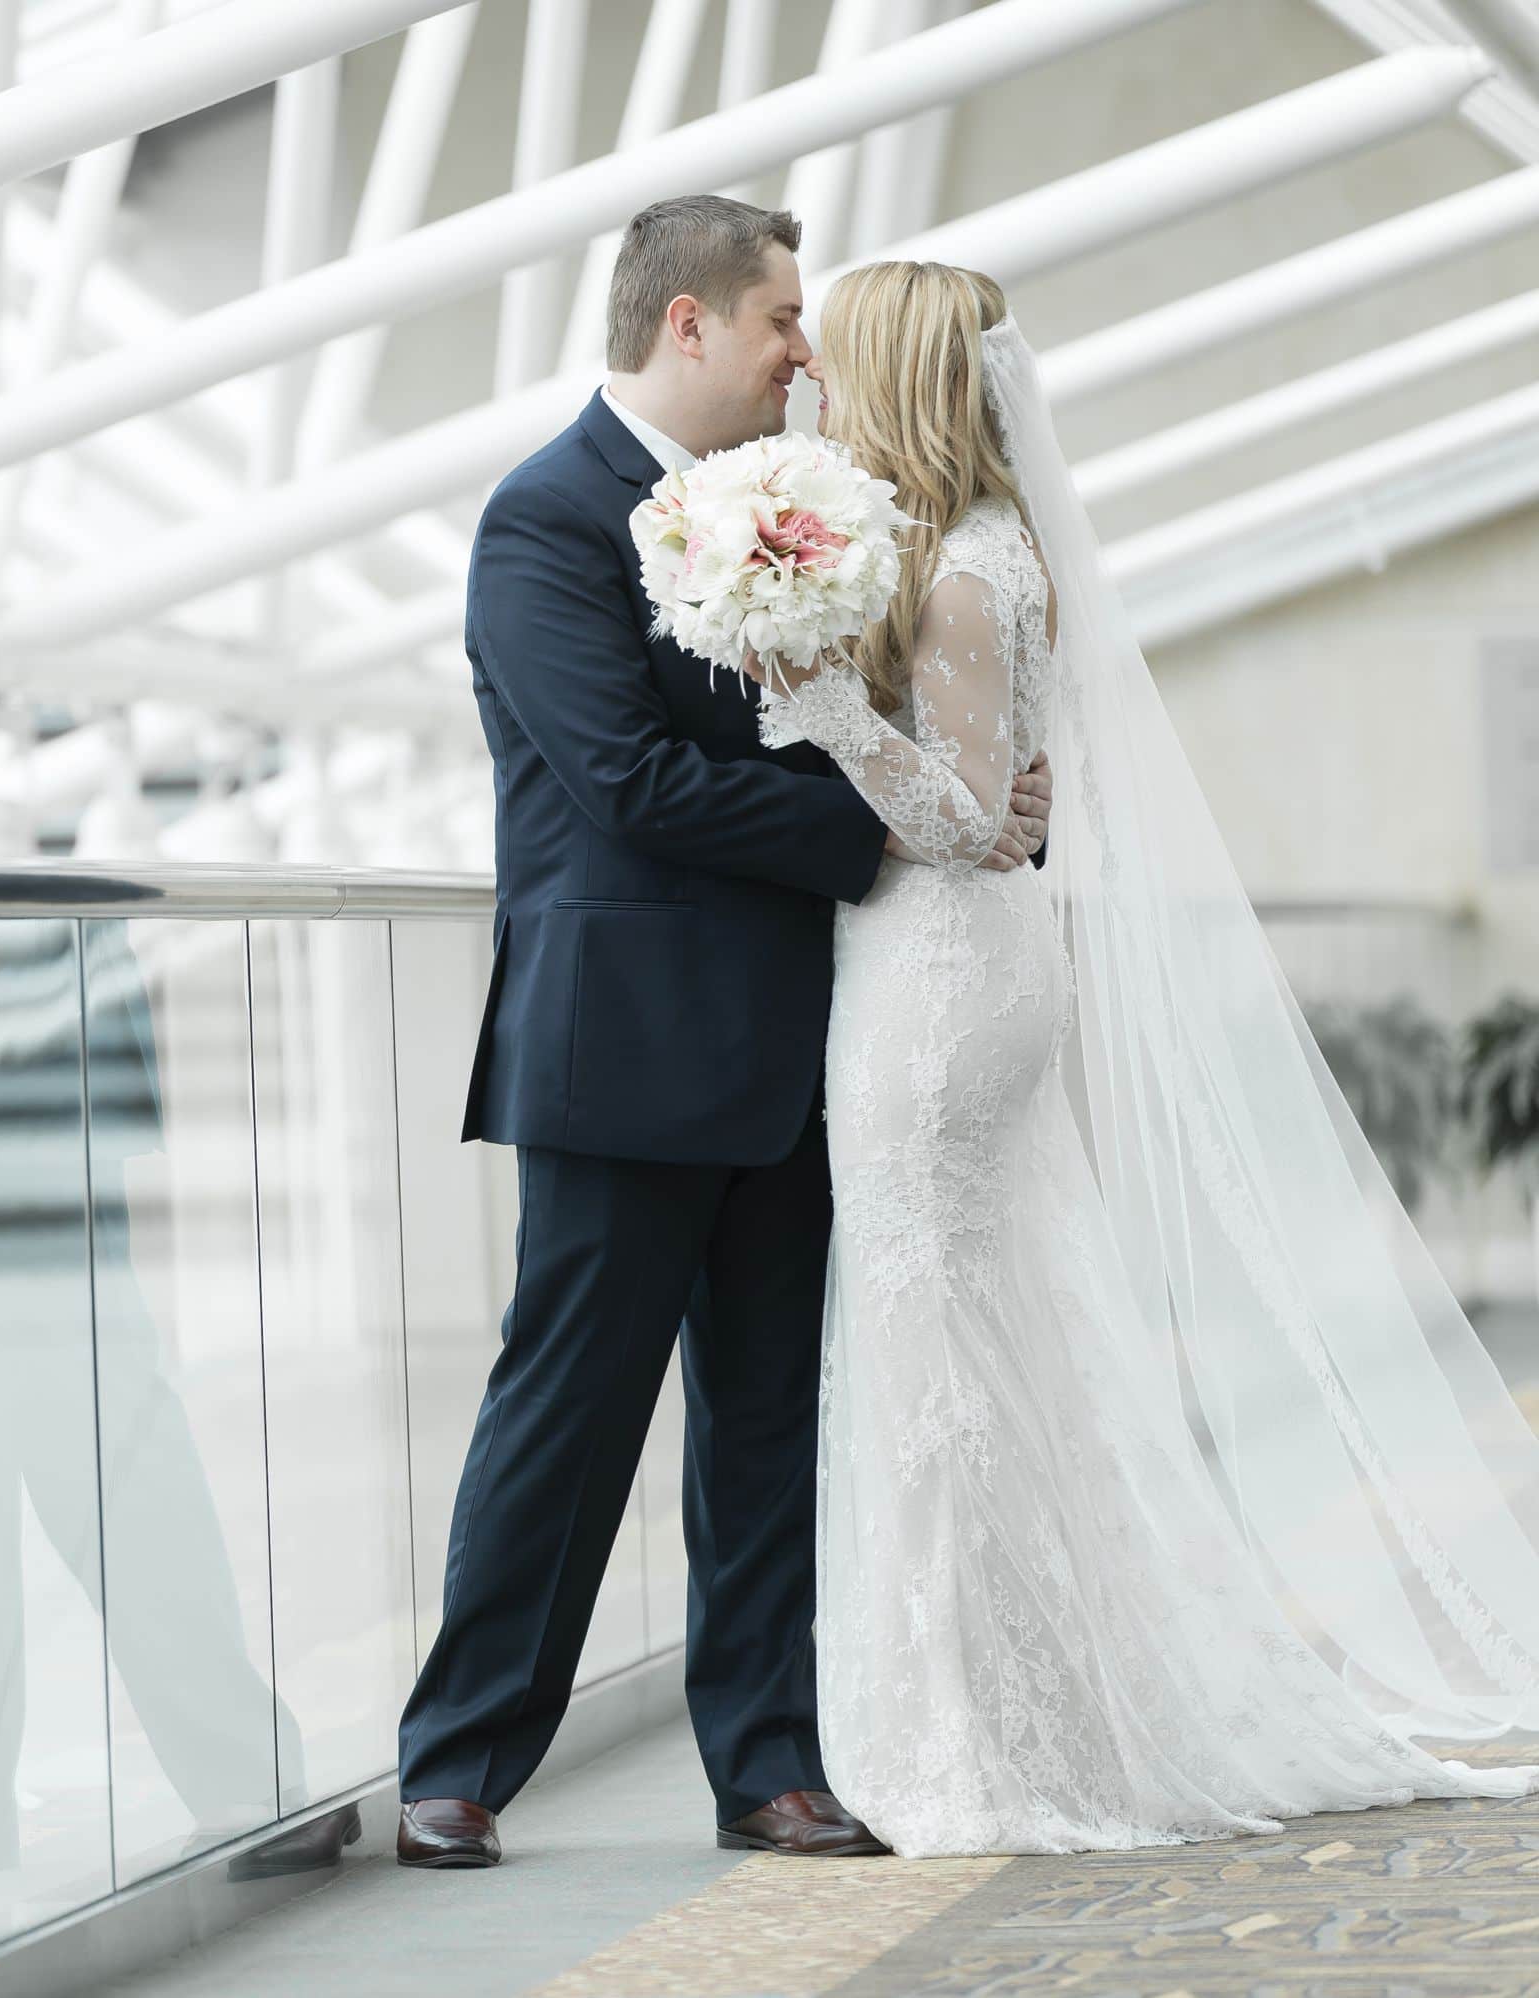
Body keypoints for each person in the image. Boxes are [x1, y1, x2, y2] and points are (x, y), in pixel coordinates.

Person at [764, 259, 1539, 1853]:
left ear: (897, 373)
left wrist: (833, 711)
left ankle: (984, 1739)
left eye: (836, 361)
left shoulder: (972, 572)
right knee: (988, 1351)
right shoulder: (974, 551)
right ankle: (1012, 1699)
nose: (815, 390)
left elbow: (974, 825)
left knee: (943, 1361)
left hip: (942, 991)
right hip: (949, 978)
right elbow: (999, 804)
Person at [394, 194, 1055, 1870]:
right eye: (776, 320)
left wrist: (976, 795)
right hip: (619, 1044)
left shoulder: (801, 509)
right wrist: (882, 827)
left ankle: (768, 1762)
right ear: (684, 324)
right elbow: (622, 779)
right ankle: (459, 1757)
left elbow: (892, 722)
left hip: (800, 1033)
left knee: (765, 1415)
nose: (801, 354)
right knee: (570, 1408)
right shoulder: (544, 521)